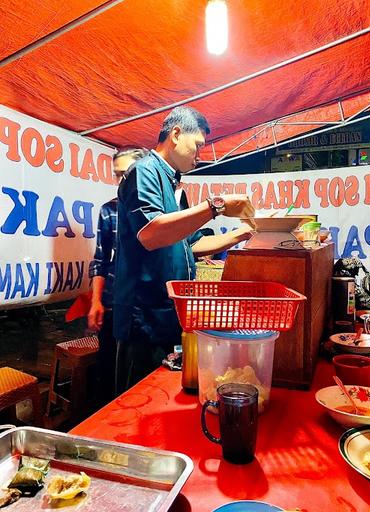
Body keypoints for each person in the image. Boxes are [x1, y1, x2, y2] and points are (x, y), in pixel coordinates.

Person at [114, 106, 255, 393]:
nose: (200, 154)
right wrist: (215, 207)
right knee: (134, 402)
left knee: (161, 393)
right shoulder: (143, 171)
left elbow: (192, 243)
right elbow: (151, 234)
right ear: (176, 134)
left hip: (168, 314)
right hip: (143, 317)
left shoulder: (174, 184)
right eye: (198, 145)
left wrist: (246, 231)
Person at [88, 147, 148, 404]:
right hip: (114, 303)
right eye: (117, 175)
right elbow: (100, 260)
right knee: (108, 370)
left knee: (140, 374)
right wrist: (96, 302)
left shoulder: (153, 212)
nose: (122, 181)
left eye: (128, 174)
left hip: (146, 306)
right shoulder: (108, 211)